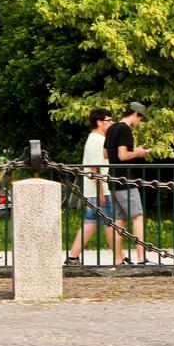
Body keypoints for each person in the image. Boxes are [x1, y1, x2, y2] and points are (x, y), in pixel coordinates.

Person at [66, 109, 114, 265]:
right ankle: (119, 258)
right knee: (110, 223)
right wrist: (101, 192)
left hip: (94, 190)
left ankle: (73, 257)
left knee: (90, 223)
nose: (111, 123)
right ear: (99, 122)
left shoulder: (97, 139)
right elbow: (95, 169)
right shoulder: (96, 140)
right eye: (109, 120)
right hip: (99, 190)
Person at [106, 102, 151, 264]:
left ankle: (118, 259)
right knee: (137, 216)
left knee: (120, 221)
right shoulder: (125, 129)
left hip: (113, 178)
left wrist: (133, 151)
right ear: (134, 114)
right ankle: (141, 258)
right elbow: (123, 156)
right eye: (140, 118)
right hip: (125, 179)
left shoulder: (111, 128)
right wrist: (138, 153)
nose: (140, 122)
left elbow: (106, 154)